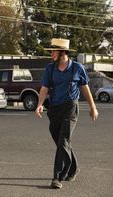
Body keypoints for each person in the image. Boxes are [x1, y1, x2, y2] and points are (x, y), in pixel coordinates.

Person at [35, 38, 98, 189]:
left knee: (63, 140)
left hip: (70, 107)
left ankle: (58, 176)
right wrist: (39, 105)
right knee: (62, 142)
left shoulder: (77, 68)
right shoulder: (50, 68)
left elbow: (85, 88)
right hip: (55, 109)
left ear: (63, 52)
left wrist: (93, 107)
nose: (51, 55)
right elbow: (44, 88)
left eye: (53, 52)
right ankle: (74, 167)